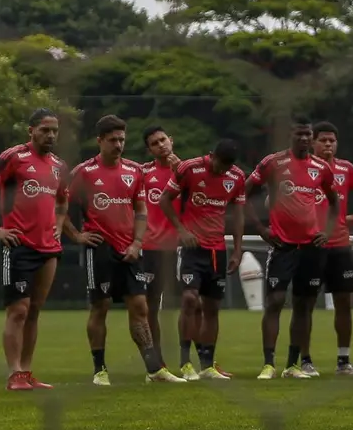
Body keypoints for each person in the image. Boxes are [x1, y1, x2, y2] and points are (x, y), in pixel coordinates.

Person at [64, 115, 182, 385]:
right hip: (100, 247)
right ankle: (100, 369)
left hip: (130, 249)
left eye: (122, 139)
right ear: (100, 141)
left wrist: (137, 243)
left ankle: (154, 370)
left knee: (140, 306)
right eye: (112, 140)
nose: (118, 144)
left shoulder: (134, 171)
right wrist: (77, 235)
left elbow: (141, 209)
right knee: (100, 306)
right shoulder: (84, 172)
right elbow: (60, 207)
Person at [0, 108, 69, 390]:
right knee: (18, 311)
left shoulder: (58, 166)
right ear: (31, 131)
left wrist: (59, 225)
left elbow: (63, 200)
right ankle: (14, 373)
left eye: (54, 131)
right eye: (44, 130)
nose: (50, 135)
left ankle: (26, 372)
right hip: (18, 244)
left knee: (35, 311)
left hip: (49, 248)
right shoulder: (13, 156)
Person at [245, 117, 338, 380]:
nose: (305, 139)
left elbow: (334, 202)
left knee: (304, 305)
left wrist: (327, 232)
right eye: (300, 135)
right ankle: (268, 364)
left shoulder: (321, 167)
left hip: (311, 246)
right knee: (274, 302)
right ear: (290, 136)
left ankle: (293, 365)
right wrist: (261, 229)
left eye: (308, 135)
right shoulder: (273, 162)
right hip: (282, 245)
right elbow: (244, 192)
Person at [157, 140, 246, 380]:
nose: (222, 171)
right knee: (188, 299)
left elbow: (238, 215)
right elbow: (164, 199)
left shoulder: (237, 178)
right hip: (191, 249)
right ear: (211, 156)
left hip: (217, 250)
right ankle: (185, 363)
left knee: (212, 308)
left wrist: (237, 250)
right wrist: (181, 231)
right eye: (219, 165)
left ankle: (207, 365)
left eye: (227, 168)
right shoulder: (190, 169)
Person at [298, 121, 353, 376]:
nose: (328, 145)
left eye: (332, 141)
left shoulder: (345, 169)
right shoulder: (302, 168)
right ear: (313, 143)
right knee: (306, 304)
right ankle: (305, 360)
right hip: (310, 245)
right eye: (323, 140)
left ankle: (344, 361)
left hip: (340, 244)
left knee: (344, 303)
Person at [139, 126, 210, 380]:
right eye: (155, 143)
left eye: (163, 140)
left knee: (196, 303)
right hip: (152, 248)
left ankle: (199, 362)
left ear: (172, 139)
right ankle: (157, 365)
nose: (161, 145)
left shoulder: (189, 170)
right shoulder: (143, 173)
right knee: (150, 307)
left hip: (185, 246)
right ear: (149, 149)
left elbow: (206, 199)